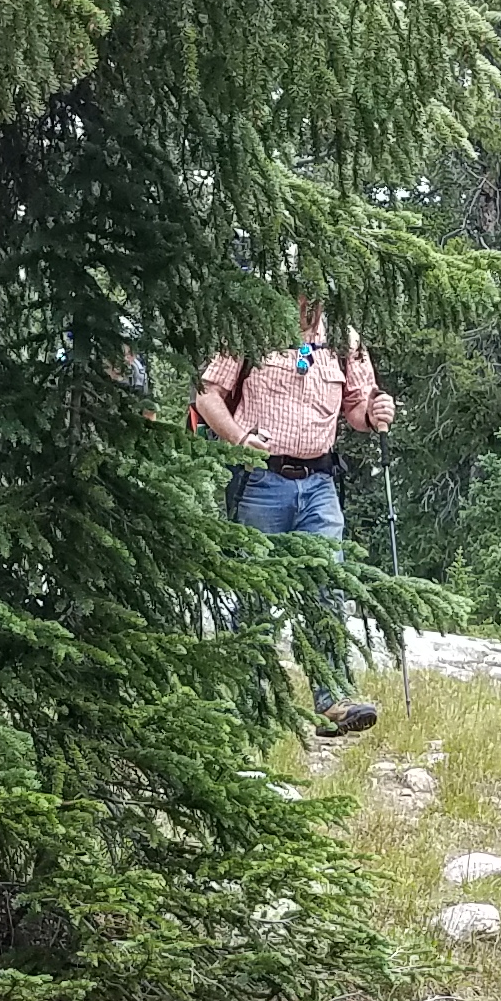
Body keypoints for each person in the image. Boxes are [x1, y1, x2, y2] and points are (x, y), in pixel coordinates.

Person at [197, 295, 398, 737]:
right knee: (252, 591)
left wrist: (376, 411)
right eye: (303, 288)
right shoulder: (253, 323)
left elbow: (359, 407)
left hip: (320, 482)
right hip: (260, 479)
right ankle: (249, 701)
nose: (312, 301)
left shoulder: (345, 336)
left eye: (319, 291)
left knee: (326, 588)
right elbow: (208, 394)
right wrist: (236, 437)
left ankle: (332, 701)